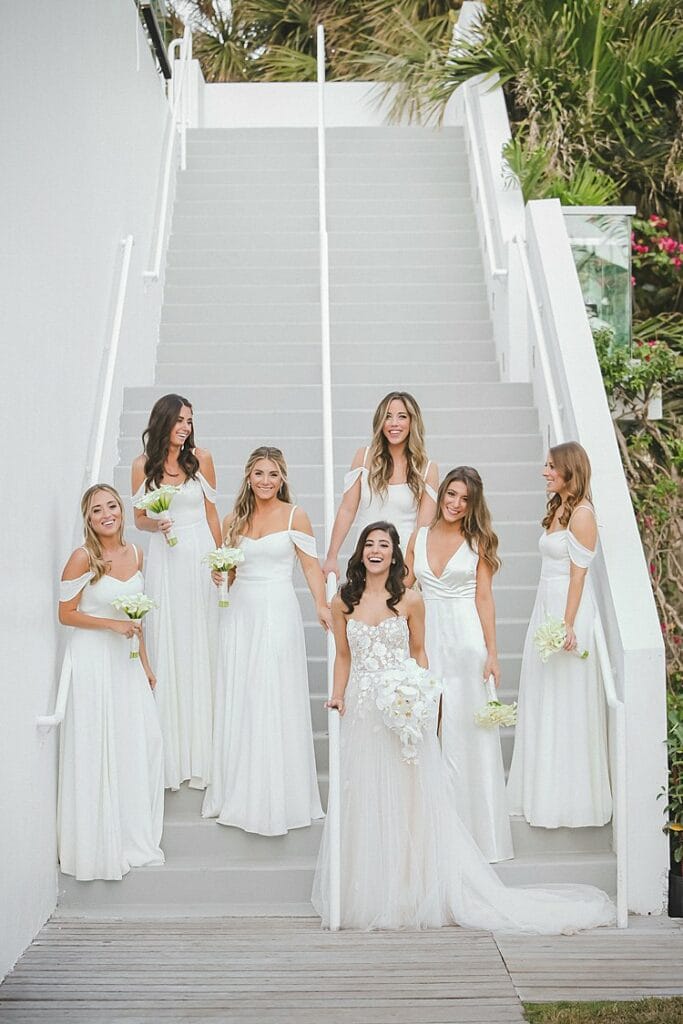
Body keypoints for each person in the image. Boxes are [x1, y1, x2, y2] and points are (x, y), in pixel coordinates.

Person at [312, 522, 615, 932]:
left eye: (384, 544)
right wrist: (338, 696)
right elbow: (343, 657)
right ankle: (368, 891)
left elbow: (419, 654)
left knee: (408, 802)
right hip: (364, 713)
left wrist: (422, 703)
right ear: (360, 554)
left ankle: (409, 891)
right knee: (364, 796)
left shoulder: (412, 600)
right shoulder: (341, 601)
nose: (375, 550)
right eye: (369, 544)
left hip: (402, 713)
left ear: (396, 554)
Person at [202, 446, 330, 836]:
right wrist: (220, 577)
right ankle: (239, 787)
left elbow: (310, 569)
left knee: (271, 693)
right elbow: (231, 573)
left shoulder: (296, 516)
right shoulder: (233, 520)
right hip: (240, 614)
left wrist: (323, 608)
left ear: (283, 478)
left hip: (277, 612)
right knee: (242, 695)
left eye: (273, 474)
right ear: (248, 477)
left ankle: (279, 794)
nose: (265, 481)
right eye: (259, 473)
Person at [405, 467, 513, 862]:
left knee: (467, 733)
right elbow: (404, 588)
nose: (454, 504)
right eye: (450, 494)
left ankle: (477, 834)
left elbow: (484, 597)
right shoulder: (417, 537)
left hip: (465, 643)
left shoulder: (478, 541)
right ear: (442, 494)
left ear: (473, 504)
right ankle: (433, 829)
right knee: (428, 727)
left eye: (464, 499)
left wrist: (493, 652)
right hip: (426, 640)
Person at [57, 485, 164, 880]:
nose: (106, 514)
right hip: (93, 659)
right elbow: (65, 614)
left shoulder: (136, 553)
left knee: (141, 742)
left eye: (112, 506)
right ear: (88, 518)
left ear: (122, 510)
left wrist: (147, 665)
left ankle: (130, 831)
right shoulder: (82, 557)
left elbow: (139, 618)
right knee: (98, 743)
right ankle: (97, 839)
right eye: (97, 509)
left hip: (127, 662)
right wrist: (110, 624)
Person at [507, 442, 612, 828]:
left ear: (570, 470)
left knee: (564, 700)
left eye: (551, 466)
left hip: (567, 613)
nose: (545, 472)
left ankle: (568, 800)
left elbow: (578, 574)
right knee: (542, 695)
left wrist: (566, 625)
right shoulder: (558, 509)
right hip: (545, 605)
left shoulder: (583, 514)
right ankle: (539, 790)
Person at [131, 393, 221, 792]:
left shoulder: (201, 459)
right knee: (170, 642)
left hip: (199, 554)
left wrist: (221, 562)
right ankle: (171, 751)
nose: (185, 426)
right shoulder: (141, 466)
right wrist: (158, 525)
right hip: (166, 563)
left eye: (190, 419)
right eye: (179, 419)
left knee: (201, 641)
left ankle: (205, 750)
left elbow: (213, 511)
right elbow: (137, 519)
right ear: (163, 421)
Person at [322, 391, 438, 578]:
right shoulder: (364, 457)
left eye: (402, 417)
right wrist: (332, 556)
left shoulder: (427, 469)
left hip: (404, 566)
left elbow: (423, 530)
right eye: (388, 417)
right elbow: (347, 510)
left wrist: (412, 574)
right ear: (380, 422)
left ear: (412, 422)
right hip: (367, 559)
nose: (394, 424)